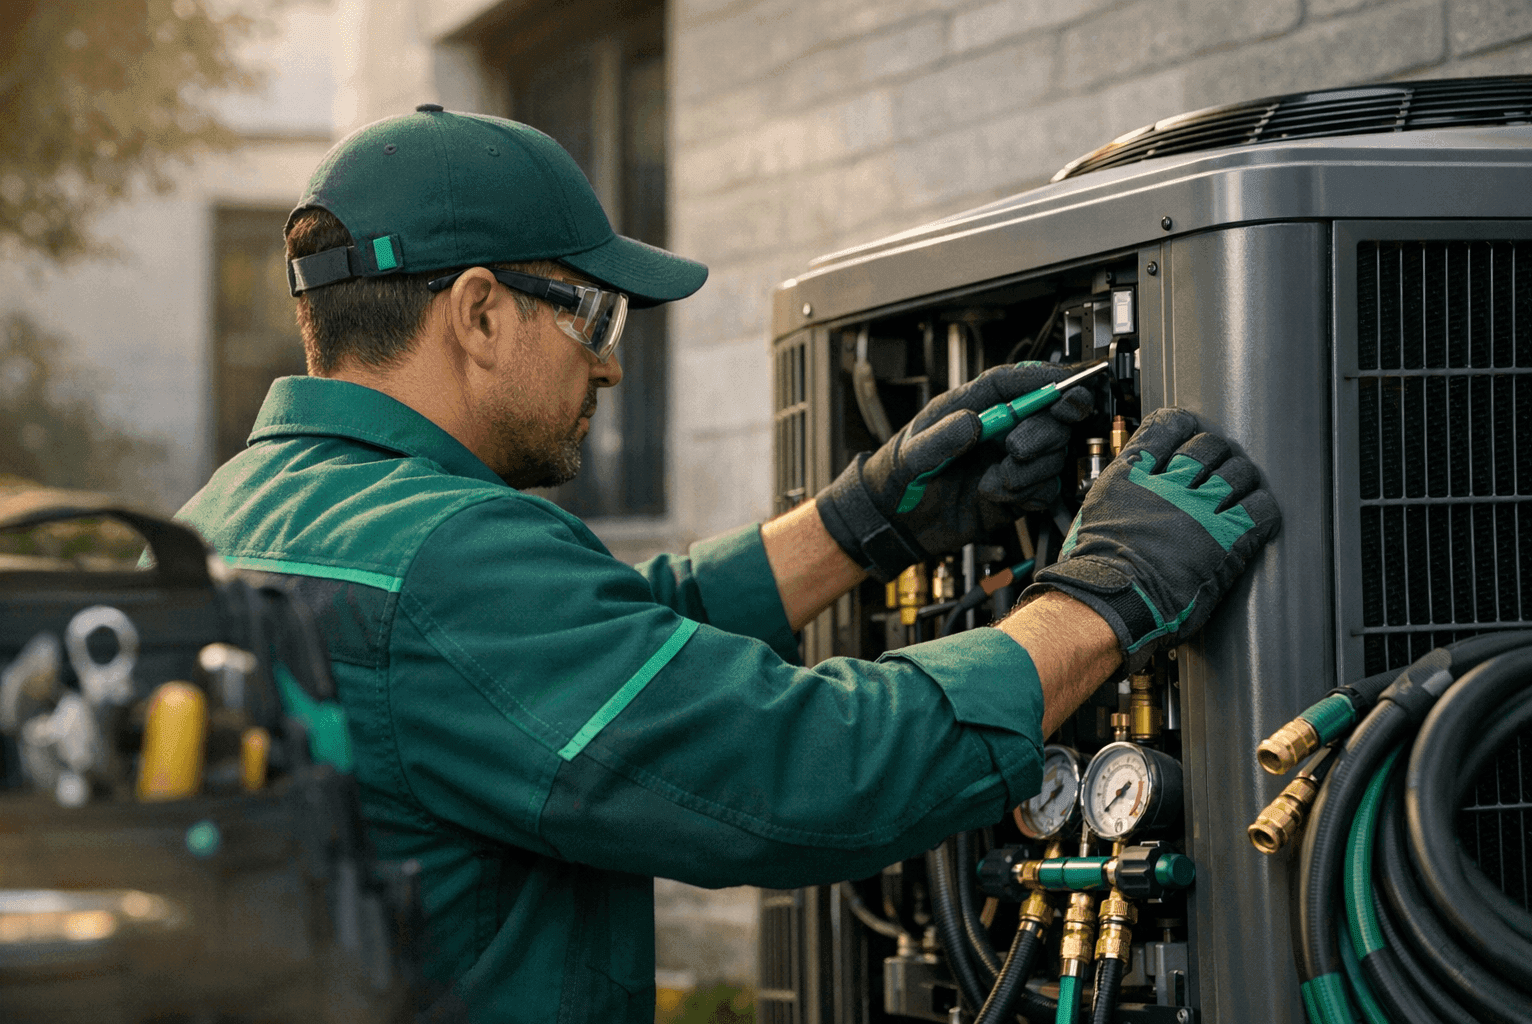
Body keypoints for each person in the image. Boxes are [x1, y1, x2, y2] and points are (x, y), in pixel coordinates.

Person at [174, 106, 1280, 1022]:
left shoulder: (225, 521)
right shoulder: (448, 557)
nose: (607, 366)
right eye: (593, 313)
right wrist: (1097, 598)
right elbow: (799, 769)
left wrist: (860, 522)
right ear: (479, 311)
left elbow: (598, 653)